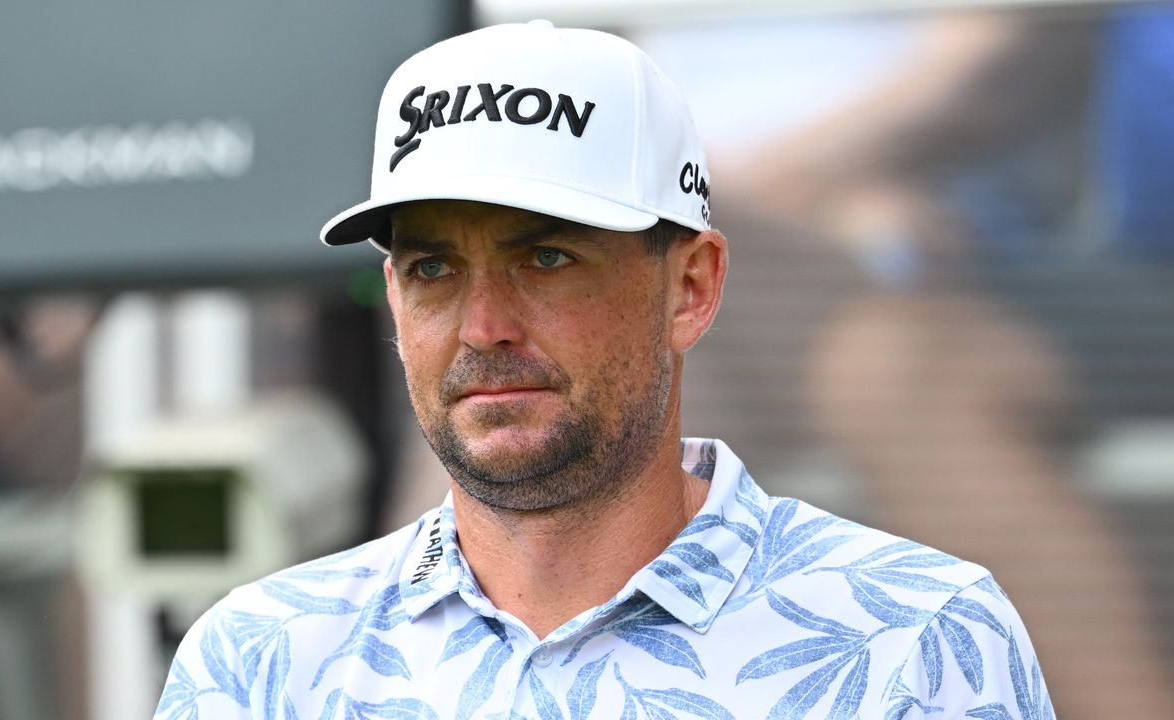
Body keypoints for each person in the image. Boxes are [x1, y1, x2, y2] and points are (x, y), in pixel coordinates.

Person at [155, 21, 1053, 719]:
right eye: (434, 270)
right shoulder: (259, 661)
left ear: (691, 288)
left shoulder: (917, 640)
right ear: (393, 298)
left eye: (547, 259)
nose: (484, 326)